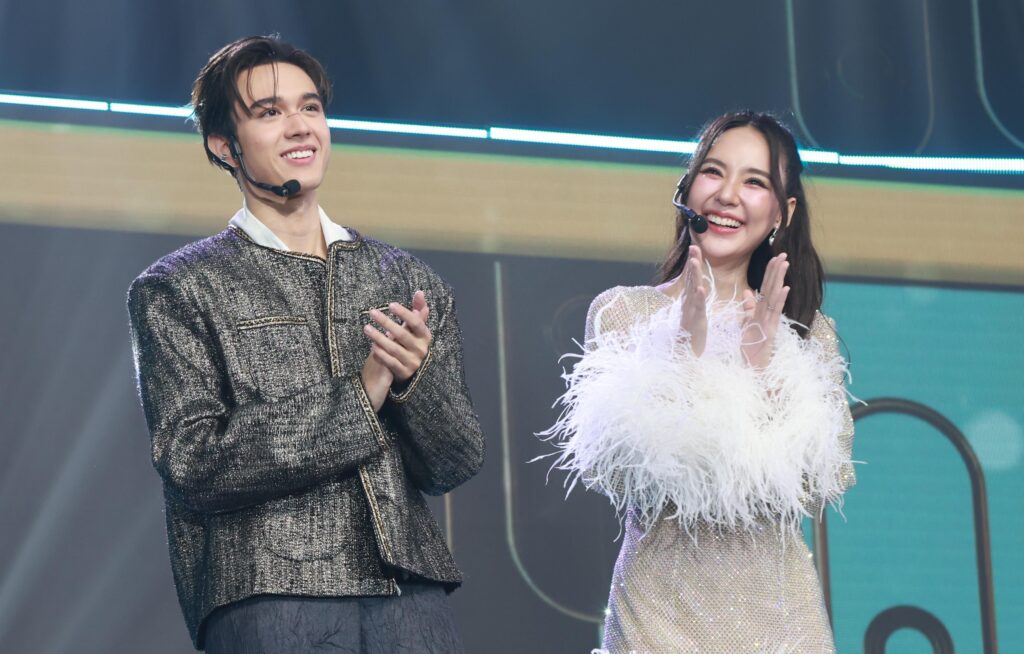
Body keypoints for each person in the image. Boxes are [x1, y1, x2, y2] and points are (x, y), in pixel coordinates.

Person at [127, 35, 484, 653]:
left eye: (310, 107)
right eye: (269, 112)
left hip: (410, 593)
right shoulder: (180, 287)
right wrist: (360, 395)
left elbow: (455, 462)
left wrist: (414, 382)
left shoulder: (406, 279)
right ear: (224, 145)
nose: (300, 127)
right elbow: (193, 462)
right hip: (270, 593)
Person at [544, 111, 856, 653]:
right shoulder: (624, 314)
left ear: (782, 213)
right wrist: (681, 357)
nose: (727, 195)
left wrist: (763, 369)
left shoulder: (808, 335)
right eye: (713, 172)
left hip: (782, 625)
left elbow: (816, 486)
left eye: (754, 182)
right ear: (687, 188)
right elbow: (615, 476)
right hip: (656, 619)